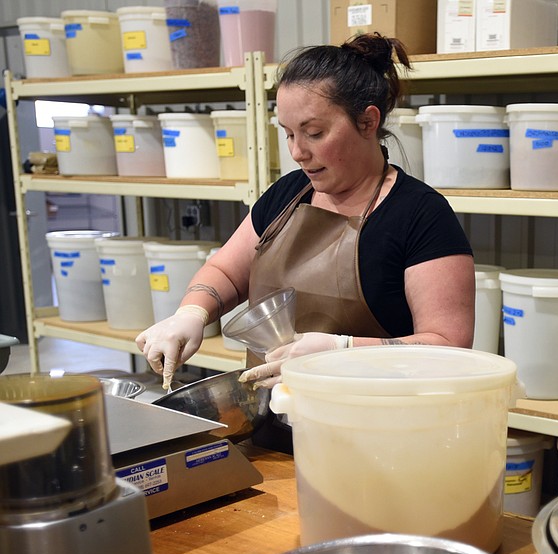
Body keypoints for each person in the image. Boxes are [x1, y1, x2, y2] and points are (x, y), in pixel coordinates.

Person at [136, 33, 475, 397]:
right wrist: (191, 314)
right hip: (271, 418)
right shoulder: (288, 194)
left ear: (367, 122)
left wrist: (341, 352)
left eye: (314, 133)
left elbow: (447, 346)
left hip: (375, 428)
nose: (297, 152)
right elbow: (226, 272)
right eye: (288, 134)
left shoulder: (420, 214)